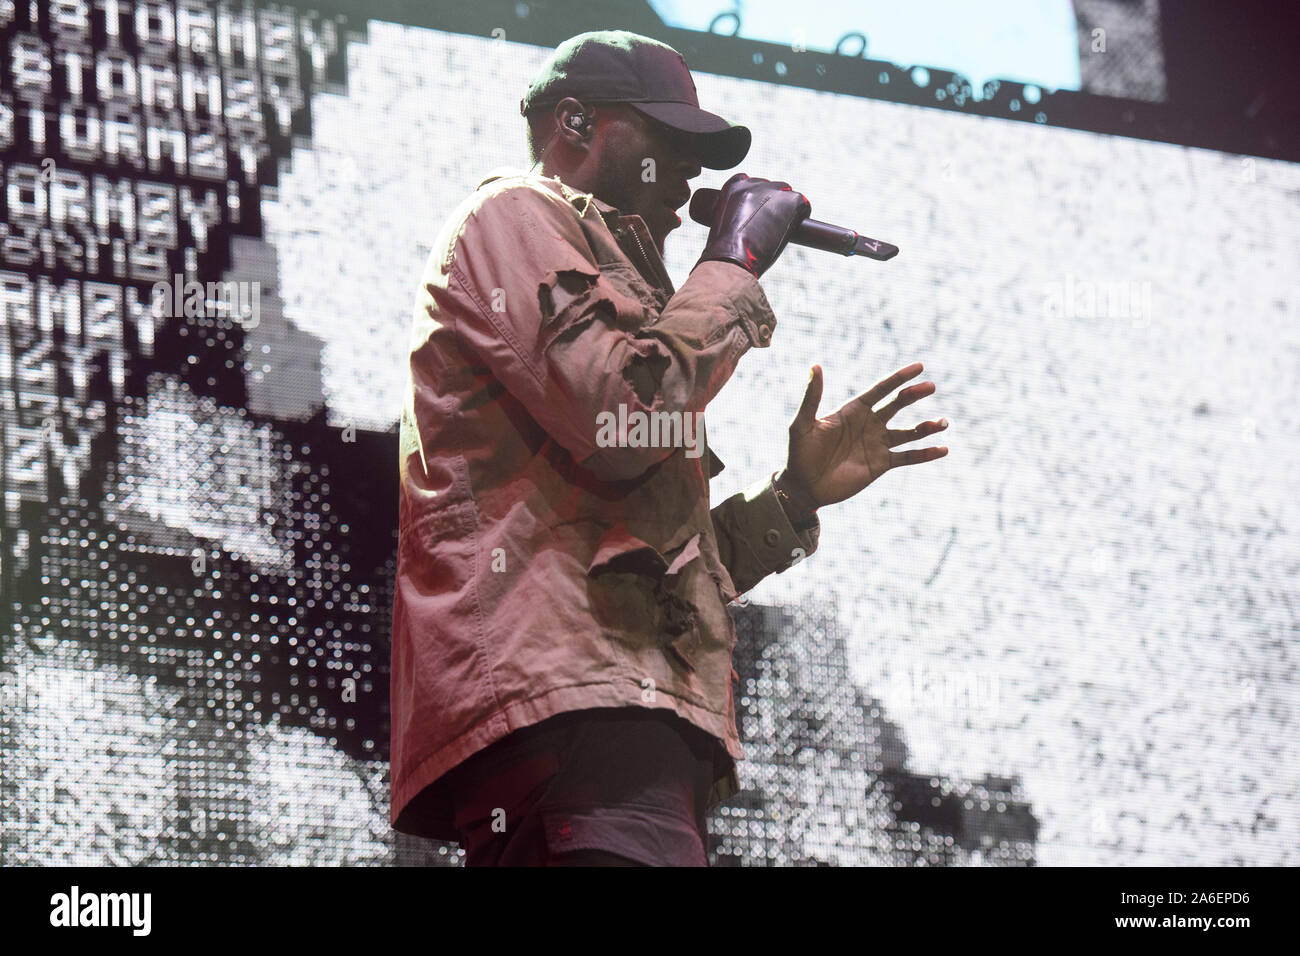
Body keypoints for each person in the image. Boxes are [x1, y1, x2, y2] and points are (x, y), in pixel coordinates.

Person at [389, 30, 949, 866]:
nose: (689, 172)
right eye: (666, 139)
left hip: (628, 733)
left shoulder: (634, 298)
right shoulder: (513, 213)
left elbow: (647, 573)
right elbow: (624, 414)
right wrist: (732, 264)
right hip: (570, 730)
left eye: (698, 152)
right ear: (573, 122)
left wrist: (791, 502)